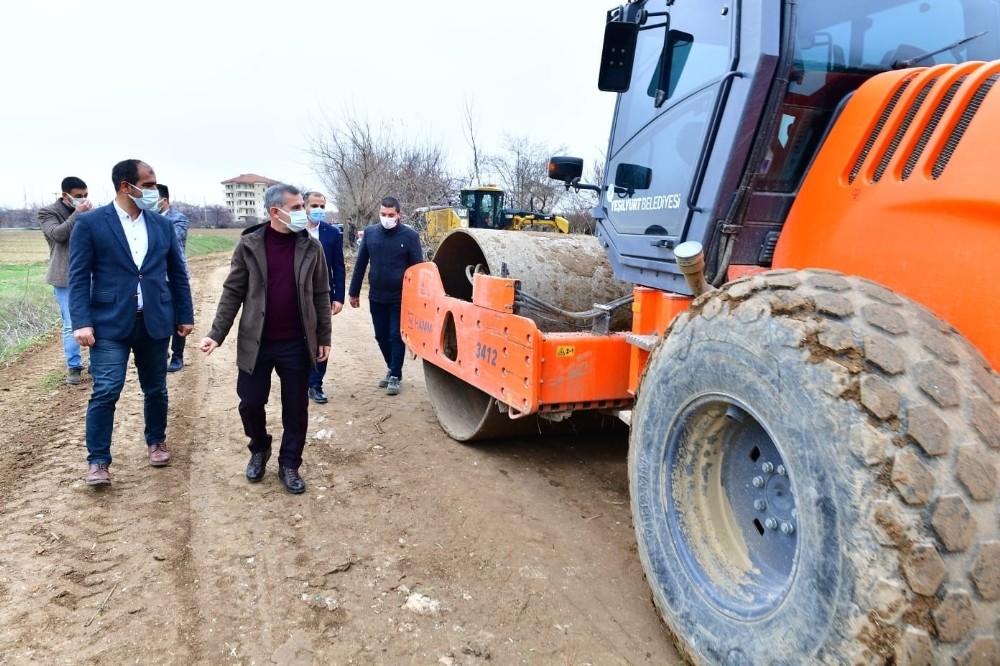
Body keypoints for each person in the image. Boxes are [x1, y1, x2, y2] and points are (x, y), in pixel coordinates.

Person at [198, 183, 332, 494]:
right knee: (250, 403)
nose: (305, 212)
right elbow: (233, 292)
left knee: (296, 408)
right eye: (297, 207)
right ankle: (260, 447)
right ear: (275, 212)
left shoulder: (312, 248)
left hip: (297, 343)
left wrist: (323, 336)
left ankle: (289, 464)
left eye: (303, 206)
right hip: (256, 343)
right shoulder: (249, 246)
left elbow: (322, 294)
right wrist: (216, 334)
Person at [68, 159, 194, 486]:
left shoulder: (162, 225)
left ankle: (156, 441)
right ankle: (98, 461)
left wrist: (184, 315)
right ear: (127, 185)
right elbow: (78, 277)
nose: (154, 191)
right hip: (109, 323)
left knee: (156, 388)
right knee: (107, 390)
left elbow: (177, 274)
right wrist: (81, 322)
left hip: (155, 320)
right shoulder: (92, 223)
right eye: (149, 185)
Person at [348, 196, 423, 396]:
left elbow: (418, 270)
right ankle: (392, 368)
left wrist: (417, 299)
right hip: (376, 296)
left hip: (401, 297)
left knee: (395, 335)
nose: (387, 218)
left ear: (399, 215)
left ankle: (395, 376)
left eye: (391, 215)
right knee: (381, 335)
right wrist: (354, 292)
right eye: (383, 214)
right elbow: (360, 264)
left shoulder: (410, 236)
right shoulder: (371, 234)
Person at [38, 176, 92, 385]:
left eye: (85, 196)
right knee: (72, 323)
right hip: (64, 277)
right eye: (78, 196)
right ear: (65, 195)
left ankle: (96, 364)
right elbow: (58, 234)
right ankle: (74, 367)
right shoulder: (48, 212)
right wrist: (78, 214)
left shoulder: (89, 211)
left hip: (90, 274)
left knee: (96, 320)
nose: (83, 200)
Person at [303, 191, 346, 404]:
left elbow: (338, 267)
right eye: (314, 205)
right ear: (304, 206)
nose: (318, 210)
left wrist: (339, 297)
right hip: (296, 295)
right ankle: (299, 380)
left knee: (321, 337)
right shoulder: (293, 230)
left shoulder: (332, 233)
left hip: (322, 295)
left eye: (322, 206)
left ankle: (316, 383)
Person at [155, 184, 190, 373]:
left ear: (164, 200)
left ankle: (178, 355)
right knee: (159, 317)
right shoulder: (143, 218)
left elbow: (172, 241)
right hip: (154, 278)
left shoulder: (178, 219)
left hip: (173, 276)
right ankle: (161, 352)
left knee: (178, 317)